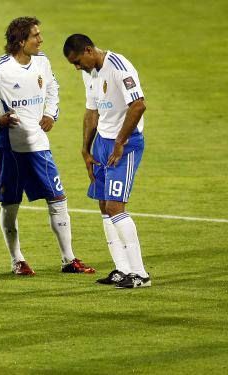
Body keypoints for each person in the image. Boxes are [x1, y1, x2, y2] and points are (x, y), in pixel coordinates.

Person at [0, 17, 96, 276]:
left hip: (39, 146)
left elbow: (53, 87)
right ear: (21, 41)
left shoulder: (42, 61)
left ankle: (69, 259)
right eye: (35, 36)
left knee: (58, 199)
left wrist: (50, 113)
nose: (41, 39)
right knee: (11, 204)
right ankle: (17, 260)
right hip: (10, 147)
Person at [63, 34, 151, 288]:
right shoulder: (90, 73)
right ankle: (122, 269)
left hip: (124, 144)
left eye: (78, 61)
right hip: (102, 143)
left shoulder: (119, 67)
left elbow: (139, 105)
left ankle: (140, 274)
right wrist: (85, 149)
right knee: (104, 205)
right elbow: (92, 111)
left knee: (115, 206)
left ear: (89, 50)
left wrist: (120, 142)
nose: (78, 67)